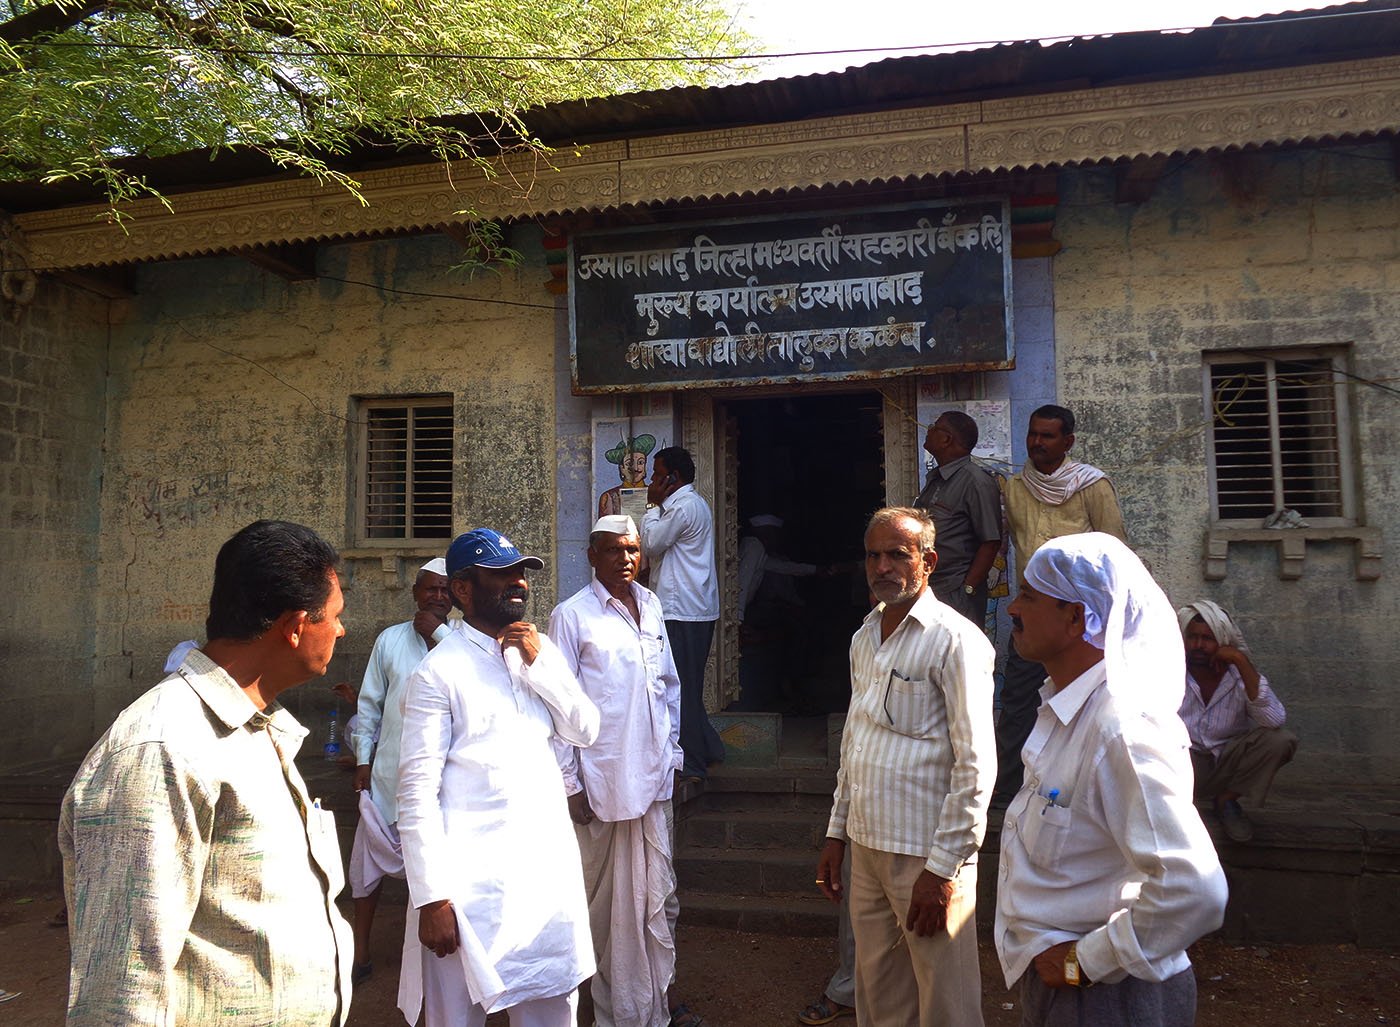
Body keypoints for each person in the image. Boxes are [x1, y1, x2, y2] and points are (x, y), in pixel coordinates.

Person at [60, 519, 353, 1026]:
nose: (342, 630)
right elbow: (122, 982)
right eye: (335, 616)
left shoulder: (256, 731)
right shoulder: (162, 749)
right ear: (296, 625)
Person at [995, 532, 1227, 1026]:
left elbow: (1196, 889)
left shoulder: (1121, 728)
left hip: (1108, 995)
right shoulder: (1066, 711)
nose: (1013, 608)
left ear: (1077, 617)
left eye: (1030, 597)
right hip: (1068, 984)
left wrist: (1088, 961)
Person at [396, 527, 601, 1027]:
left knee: (552, 1009)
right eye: (500, 574)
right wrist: (432, 898)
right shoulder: (438, 673)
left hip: (544, 880)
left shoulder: (538, 650)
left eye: (520, 573)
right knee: (457, 1017)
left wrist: (538, 665)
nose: (517, 584)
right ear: (463, 589)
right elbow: (416, 795)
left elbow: (585, 729)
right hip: (470, 891)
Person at [816, 506, 995, 1027]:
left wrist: (943, 871)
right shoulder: (863, 637)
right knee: (878, 994)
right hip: (868, 844)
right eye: (874, 555)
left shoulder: (955, 640)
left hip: (928, 852)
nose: (883, 566)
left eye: (898, 554)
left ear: (928, 561)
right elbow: (857, 741)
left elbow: (976, 764)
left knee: (946, 1002)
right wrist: (836, 834)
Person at [548, 515, 694, 1027]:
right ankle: (603, 1009)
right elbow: (558, 709)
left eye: (632, 549)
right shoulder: (570, 616)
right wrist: (569, 782)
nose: (625, 559)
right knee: (604, 910)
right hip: (601, 785)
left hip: (652, 779)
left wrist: (672, 757)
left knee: (656, 897)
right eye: (613, 550)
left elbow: (669, 688)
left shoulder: (652, 606)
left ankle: (649, 1005)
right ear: (591, 556)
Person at [995, 404, 1127, 801]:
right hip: (1032, 615)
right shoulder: (1015, 488)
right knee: (1018, 698)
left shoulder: (1091, 486)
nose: (1037, 442)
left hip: (1078, 619)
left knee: (1082, 701)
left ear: (1067, 441)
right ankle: (1008, 791)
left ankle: (1083, 786)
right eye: (1033, 434)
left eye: (1047, 436)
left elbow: (1114, 549)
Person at [348, 557, 457, 982]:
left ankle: (429, 968)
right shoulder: (389, 640)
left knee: (430, 875)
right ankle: (360, 953)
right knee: (367, 874)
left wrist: (440, 634)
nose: (438, 596)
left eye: (446, 590)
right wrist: (362, 759)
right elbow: (369, 703)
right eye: (430, 589)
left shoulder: (463, 642)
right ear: (415, 593)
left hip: (441, 785)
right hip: (388, 777)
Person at [1178, 599, 1297, 843]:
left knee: (1281, 740)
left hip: (1225, 764)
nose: (1198, 645)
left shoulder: (1239, 676)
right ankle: (1179, 808)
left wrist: (1241, 662)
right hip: (1181, 765)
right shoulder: (1171, 671)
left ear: (1222, 641)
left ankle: (1226, 801)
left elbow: (1274, 719)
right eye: (1193, 637)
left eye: (1208, 639)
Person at [641, 446, 724, 779]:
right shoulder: (690, 504)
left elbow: (650, 544)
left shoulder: (682, 507)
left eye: (657, 475)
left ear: (672, 478)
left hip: (683, 611)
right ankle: (710, 749)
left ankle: (692, 763)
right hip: (691, 609)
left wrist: (650, 504)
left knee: (681, 689)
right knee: (687, 685)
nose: (652, 480)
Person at [914, 410, 1003, 625]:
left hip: (955, 592)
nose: (929, 430)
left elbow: (990, 541)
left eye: (934, 426)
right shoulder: (936, 478)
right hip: (931, 588)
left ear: (946, 439)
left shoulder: (976, 481)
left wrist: (968, 588)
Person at [599, 434, 656, 518]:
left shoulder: (654, 494)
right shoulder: (609, 497)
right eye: (629, 463)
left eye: (640, 462)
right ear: (622, 468)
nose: (636, 468)